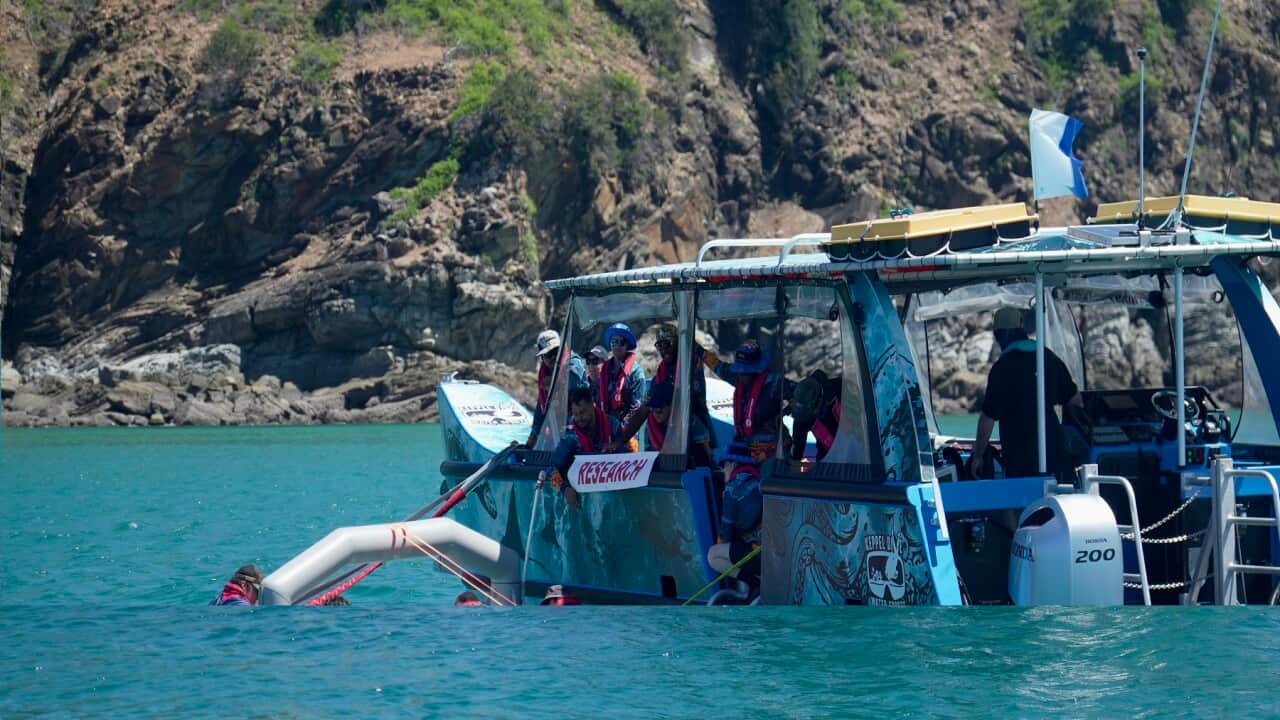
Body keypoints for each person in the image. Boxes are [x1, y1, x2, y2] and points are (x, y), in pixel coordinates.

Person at [969, 307, 1083, 479]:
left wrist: (978, 456)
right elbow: (1075, 400)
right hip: (1053, 452)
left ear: (998, 335)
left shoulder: (1002, 368)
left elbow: (988, 418)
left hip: (1019, 459)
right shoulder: (1048, 358)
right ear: (1021, 329)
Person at [612, 324, 713, 456]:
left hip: (692, 430)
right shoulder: (659, 378)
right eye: (660, 345)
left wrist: (698, 350)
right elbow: (643, 410)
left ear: (678, 343)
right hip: (664, 434)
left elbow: (715, 363)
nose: (664, 349)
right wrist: (620, 441)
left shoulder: (691, 364)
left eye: (668, 344)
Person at [549, 387, 631, 509]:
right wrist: (564, 489)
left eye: (582, 412)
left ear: (592, 406)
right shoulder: (571, 436)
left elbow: (627, 459)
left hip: (614, 494)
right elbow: (551, 470)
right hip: (584, 499)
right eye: (575, 414)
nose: (579, 418)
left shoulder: (613, 426)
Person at [706, 438, 769, 589]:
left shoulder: (732, 489)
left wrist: (721, 546)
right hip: (775, 552)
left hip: (760, 555)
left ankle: (754, 585)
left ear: (733, 464)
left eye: (725, 466)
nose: (723, 471)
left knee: (713, 555)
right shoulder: (759, 481)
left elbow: (724, 534)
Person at [710, 340, 786, 443]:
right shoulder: (737, 376)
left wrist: (786, 412)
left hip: (770, 444)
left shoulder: (774, 383)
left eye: (746, 371)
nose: (741, 374)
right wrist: (697, 350)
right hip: (744, 442)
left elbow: (800, 393)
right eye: (739, 370)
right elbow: (717, 365)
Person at [526, 329, 587, 448]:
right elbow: (542, 408)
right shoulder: (545, 373)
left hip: (581, 423)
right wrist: (533, 435)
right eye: (549, 354)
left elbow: (574, 382)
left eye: (556, 351)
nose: (554, 357)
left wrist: (555, 384)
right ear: (542, 357)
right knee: (546, 446)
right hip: (558, 428)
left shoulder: (573, 363)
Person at [597, 323, 646, 425]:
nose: (617, 346)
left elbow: (637, 407)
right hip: (606, 426)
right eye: (614, 342)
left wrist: (621, 429)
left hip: (628, 430)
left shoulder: (636, 373)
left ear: (627, 344)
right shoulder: (604, 370)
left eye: (621, 342)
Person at [789, 370, 843, 462]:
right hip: (831, 455)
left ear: (820, 403)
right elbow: (798, 449)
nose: (806, 419)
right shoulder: (802, 415)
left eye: (810, 414)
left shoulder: (841, 388)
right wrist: (796, 467)